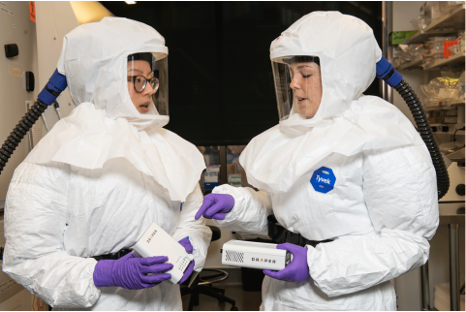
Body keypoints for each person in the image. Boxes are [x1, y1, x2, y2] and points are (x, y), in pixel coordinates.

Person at [196, 11, 439, 311]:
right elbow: (288, 215)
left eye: (306, 74)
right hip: (280, 297)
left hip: (348, 303)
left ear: (341, 73)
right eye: (291, 74)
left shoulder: (383, 136)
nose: (294, 84)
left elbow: (407, 244)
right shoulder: (298, 131)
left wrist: (316, 264)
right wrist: (239, 206)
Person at [3, 17, 211, 310]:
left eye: (151, 78)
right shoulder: (52, 160)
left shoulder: (169, 148)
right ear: (100, 78)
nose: (150, 89)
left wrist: (188, 249)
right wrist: (103, 273)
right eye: (135, 79)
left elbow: (194, 220)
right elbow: (28, 260)